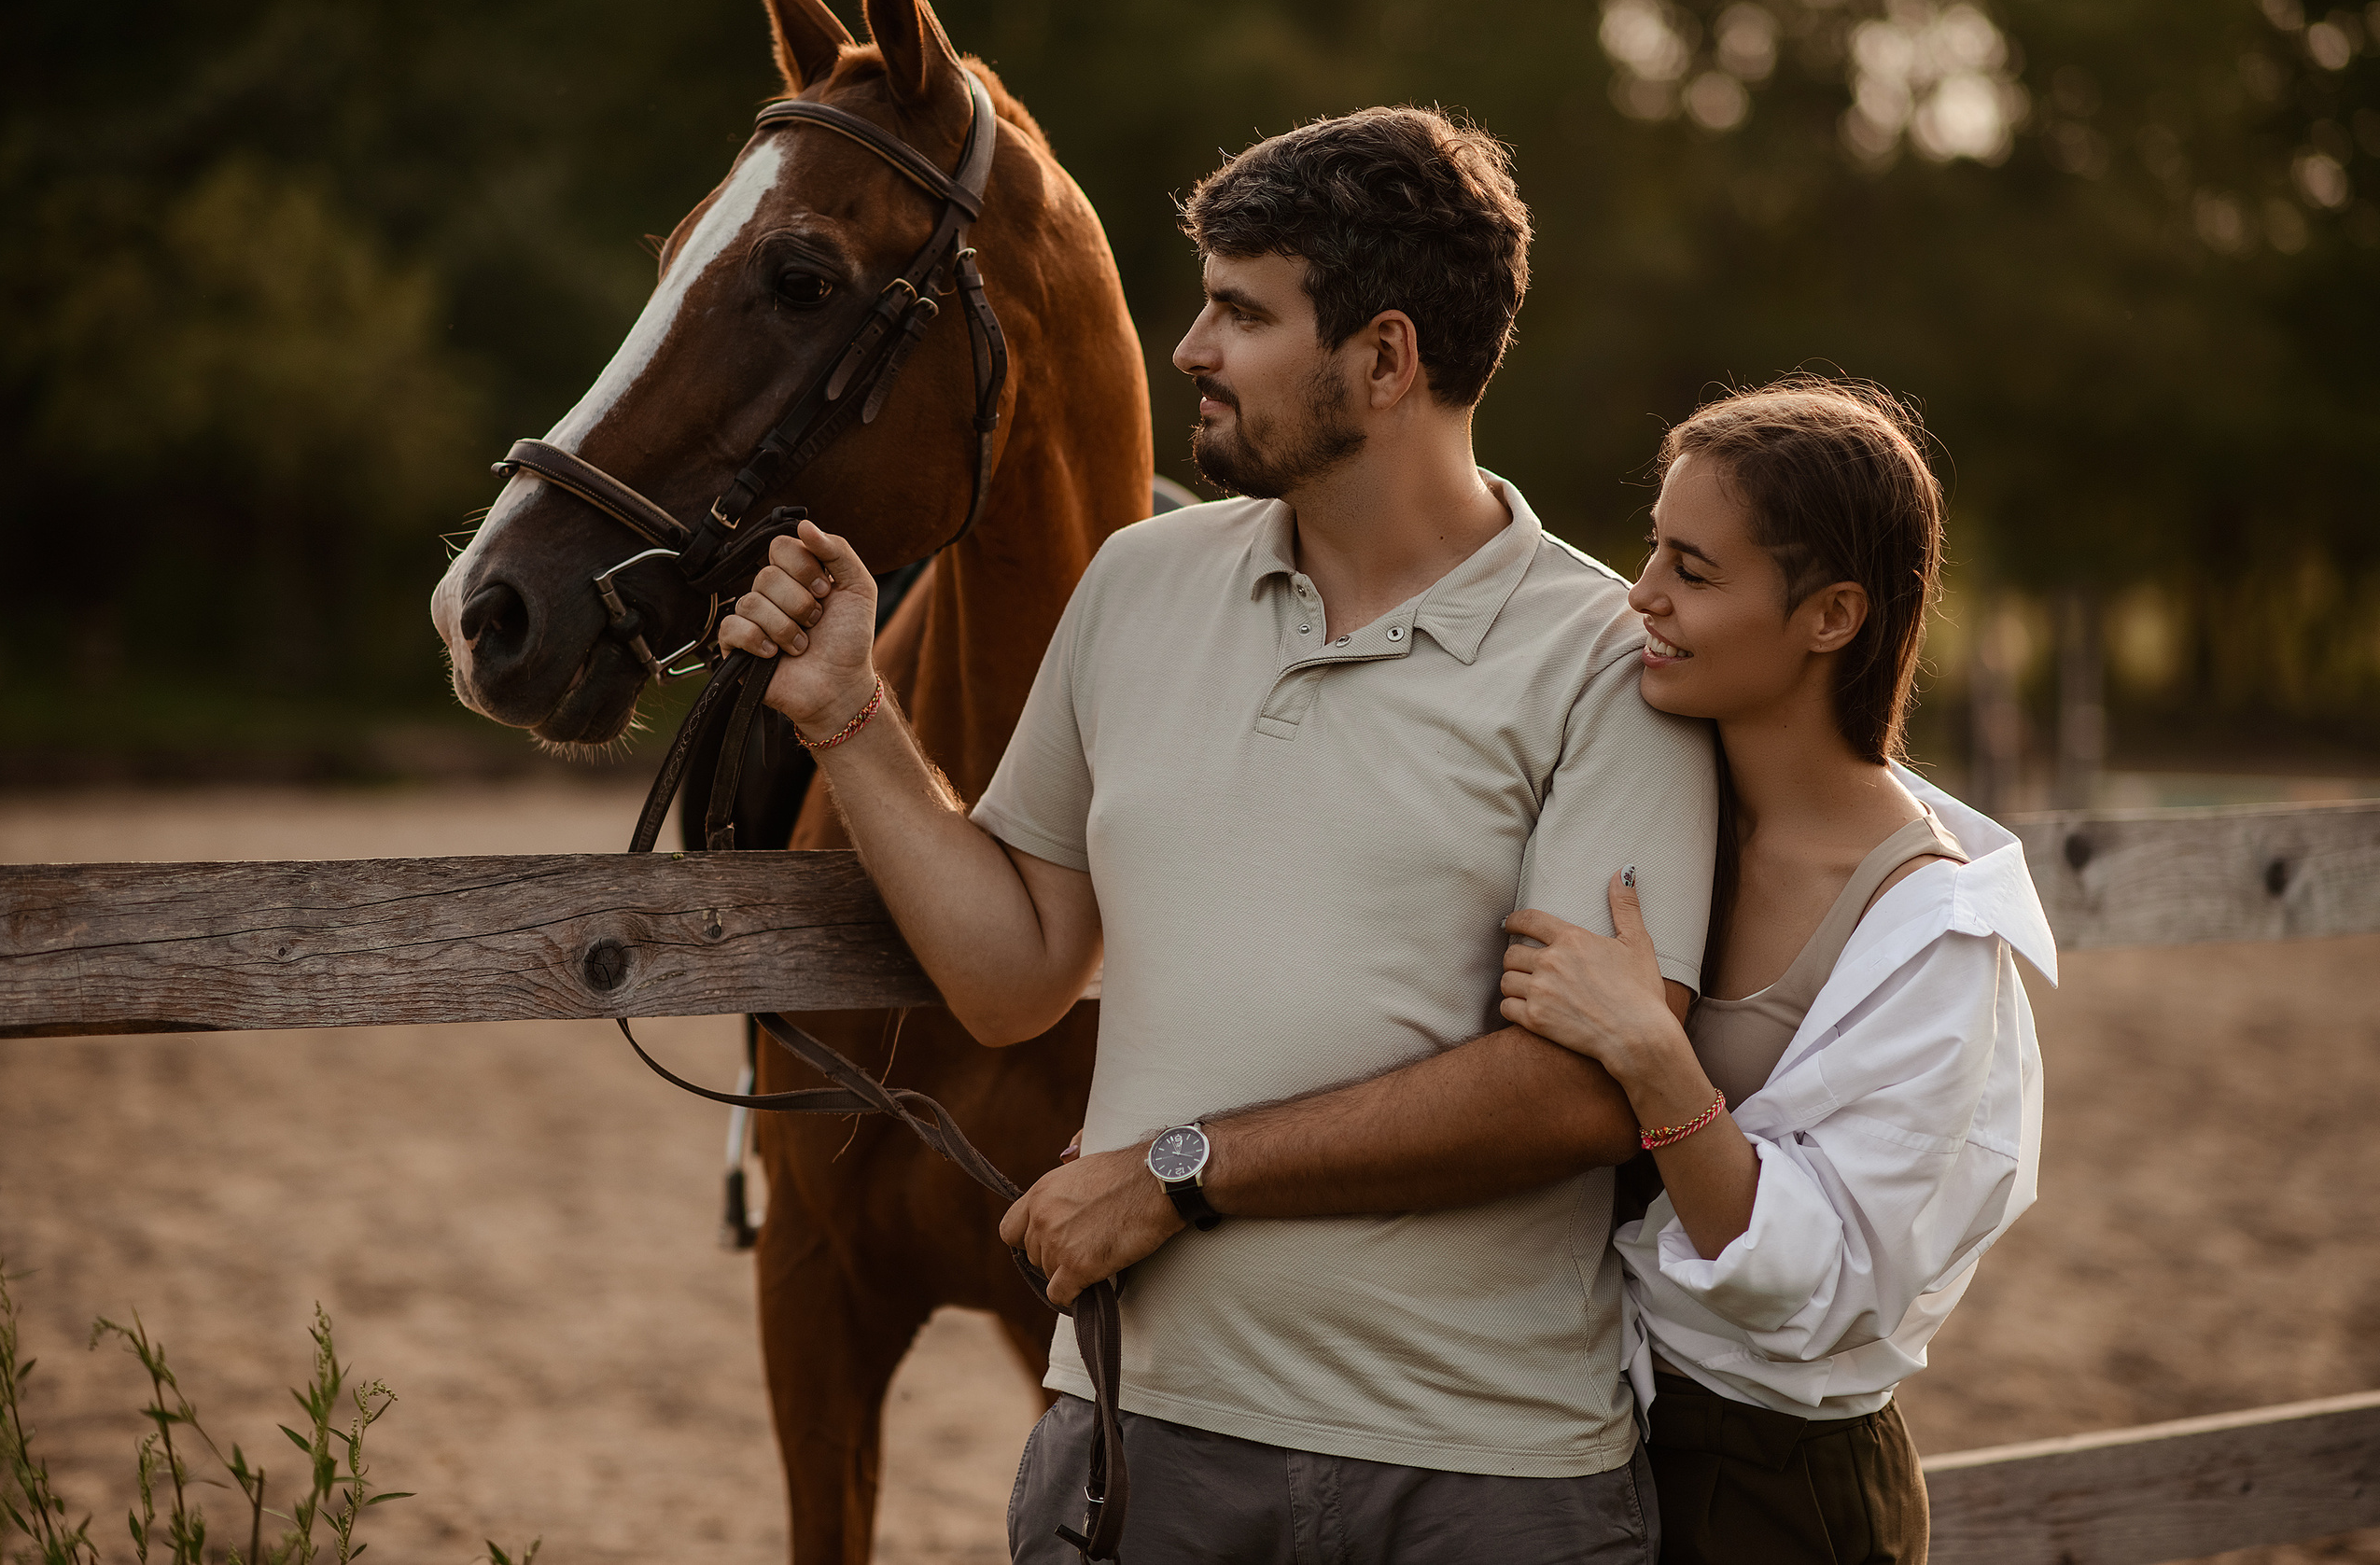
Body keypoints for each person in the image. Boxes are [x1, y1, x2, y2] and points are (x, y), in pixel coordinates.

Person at [719, 106, 1718, 1561]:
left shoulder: (1604, 660)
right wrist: (849, 720)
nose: (1189, 348)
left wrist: (1181, 1168)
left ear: (1383, 360)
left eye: (1242, 313)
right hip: (1139, 1447)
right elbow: (1018, 976)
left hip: (1480, 1480)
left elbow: (1581, 1092)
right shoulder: (1133, 586)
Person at [1495, 378, 2054, 1565]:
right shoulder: (1658, 802)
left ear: (1831, 615)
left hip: (1779, 1492)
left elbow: (1826, 1278)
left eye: (1692, 572)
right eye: (1651, 549)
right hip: (1591, 1436)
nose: (1639, 593)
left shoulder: (1931, 927)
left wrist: (1651, 1057)